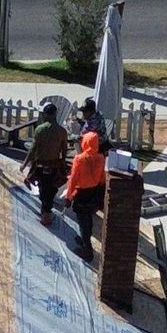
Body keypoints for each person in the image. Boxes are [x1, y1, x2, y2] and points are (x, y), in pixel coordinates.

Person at [23, 102, 69, 226]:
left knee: (43, 189)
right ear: (55, 114)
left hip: (40, 165)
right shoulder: (62, 131)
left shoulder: (40, 129)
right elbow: (64, 149)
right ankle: (46, 212)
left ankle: (46, 215)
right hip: (54, 166)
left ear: (45, 115)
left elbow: (33, 148)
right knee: (50, 190)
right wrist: (63, 162)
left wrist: (25, 163)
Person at [63, 130, 107, 260]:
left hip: (81, 194)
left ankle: (87, 250)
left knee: (83, 221)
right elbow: (102, 178)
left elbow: (73, 179)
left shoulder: (80, 159)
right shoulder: (101, 158)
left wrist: (68, 196)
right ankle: (84, 239)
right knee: (88, 218)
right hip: (94, 193)